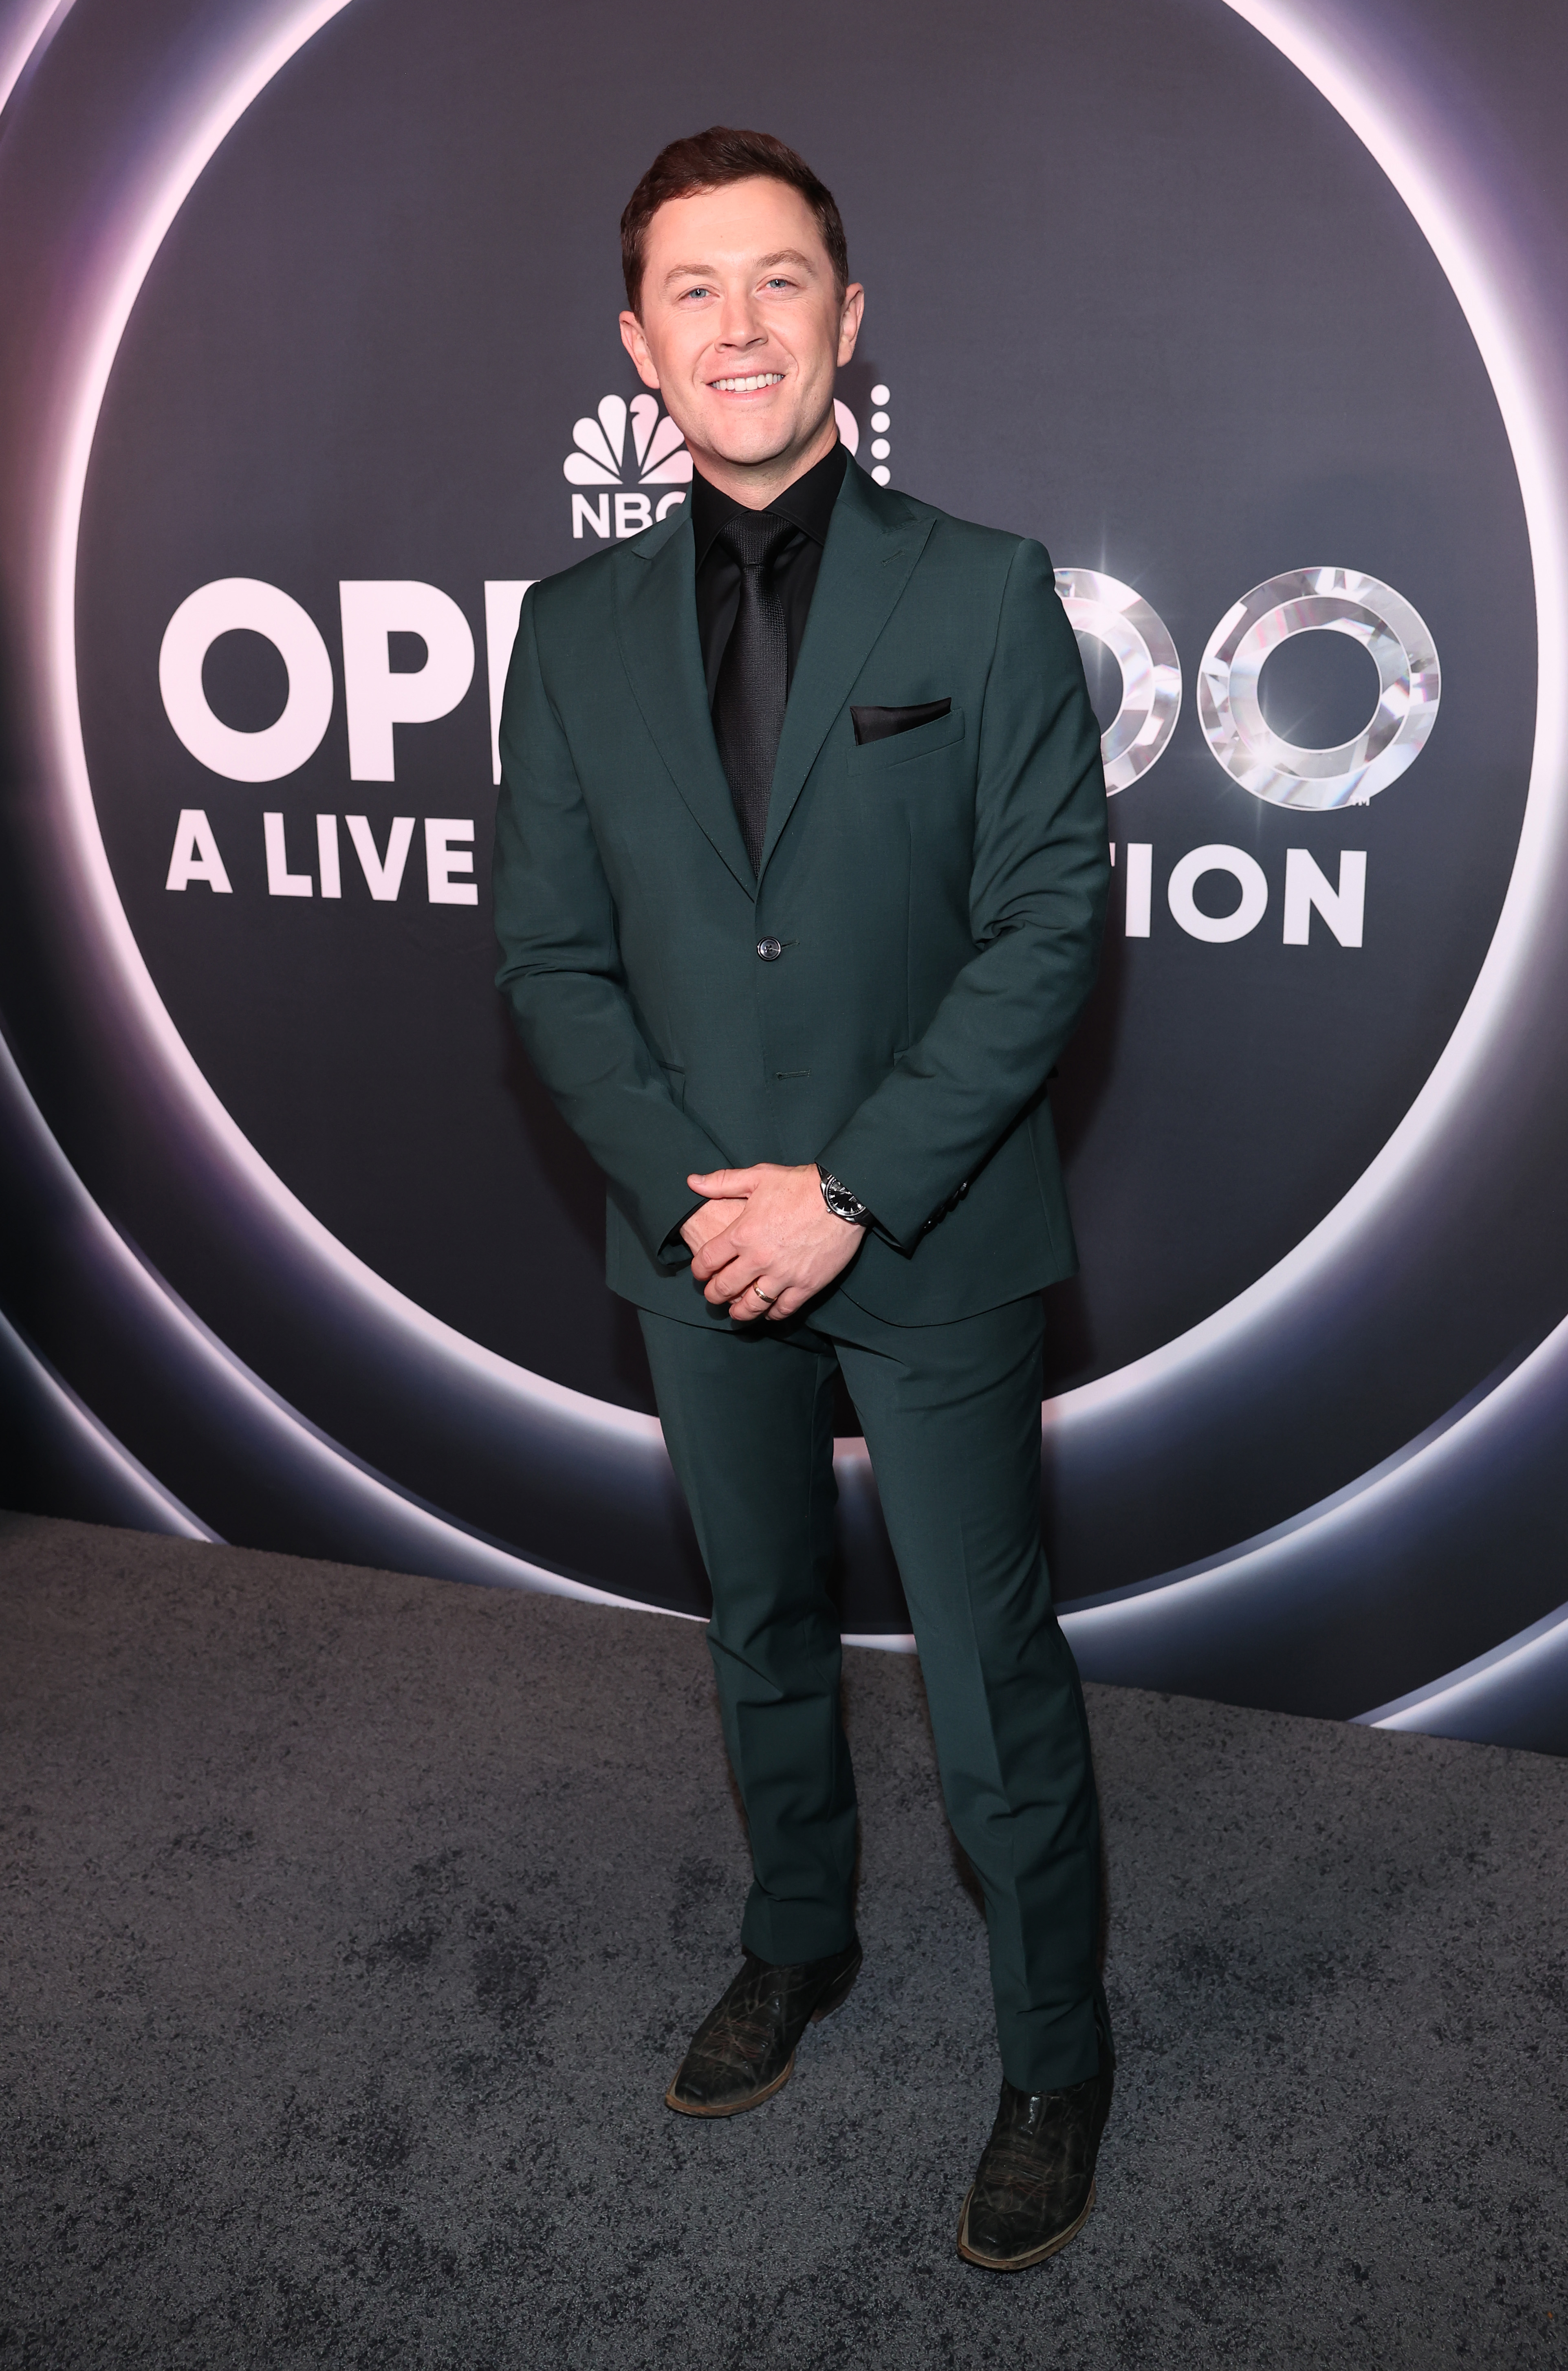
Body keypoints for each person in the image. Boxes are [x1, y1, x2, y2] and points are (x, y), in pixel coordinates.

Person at [493, 127, 1113, 2272]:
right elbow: (550, 965)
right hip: (693, 1244)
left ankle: (1055, 2055)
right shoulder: (565, 638)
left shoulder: (985, 588)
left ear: (849, 322)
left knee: (983, 1667)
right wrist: (703, 1200)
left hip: (927, 1227)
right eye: (694, 289)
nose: (737, 324)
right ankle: (799, 1939)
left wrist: (848, 1190)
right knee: (759, 1630)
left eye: (779, 283)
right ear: (639, 345)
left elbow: (1048, 925)